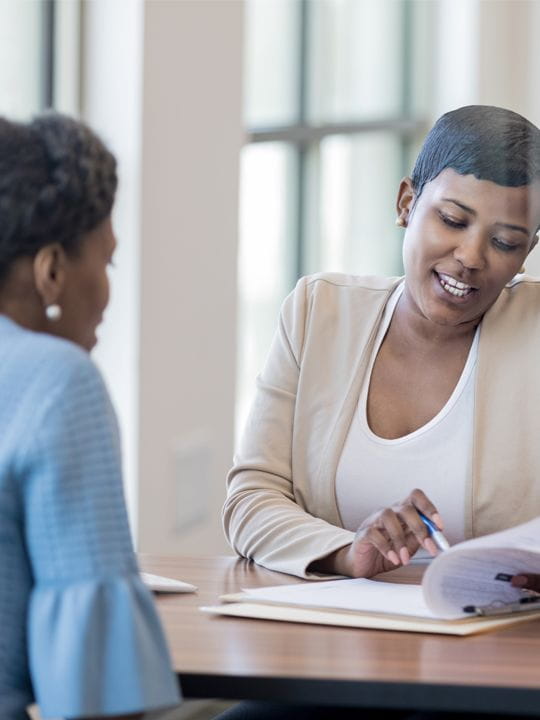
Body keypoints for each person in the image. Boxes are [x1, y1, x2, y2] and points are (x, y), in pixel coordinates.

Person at [223, 105, 540, 586]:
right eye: (453, 220)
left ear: (526, 254)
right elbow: (252, 498)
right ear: (406, 204)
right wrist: (349, 552)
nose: (471, 257)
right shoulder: (318, 311)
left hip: (493, 647)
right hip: (331, 639)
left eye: (504, 242)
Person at [0, 113, 180, 719]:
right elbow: (98, 694)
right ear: (51, 270)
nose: (106, 290)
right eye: (106, 262)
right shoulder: (57, 382)